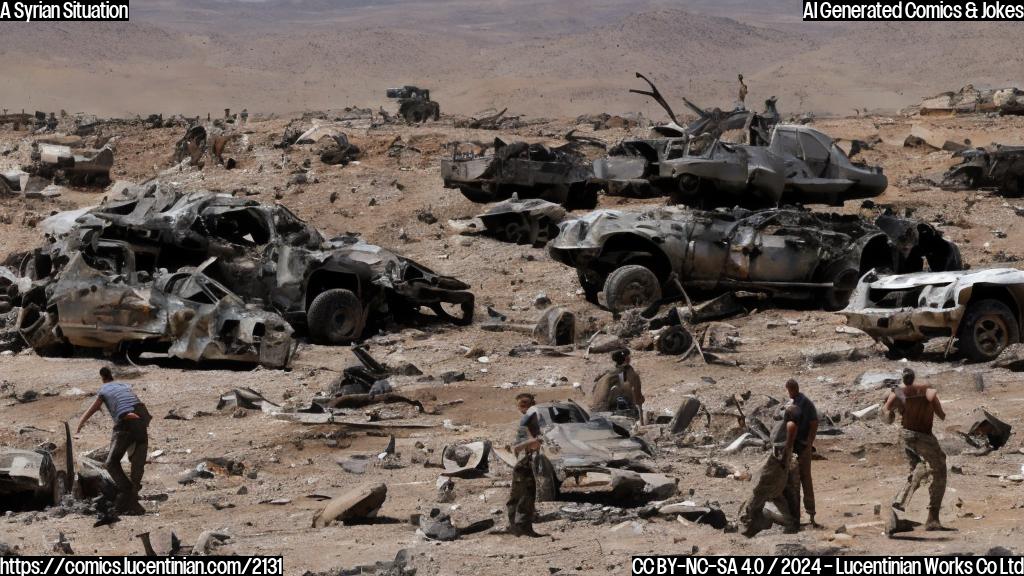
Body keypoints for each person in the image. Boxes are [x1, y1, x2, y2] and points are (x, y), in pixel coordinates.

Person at [882, 368, 950, 535]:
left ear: (903, 379)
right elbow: (941, 415)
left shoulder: (898, 392)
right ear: (914, 377)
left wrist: (894, 412)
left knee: (916, 469)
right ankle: (933, 518)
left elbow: (885, 413)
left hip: (906, 436)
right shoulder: (928, 390)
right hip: (924, 437)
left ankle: (899, 504)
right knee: (939, 469)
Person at [76, 367, 152, 515]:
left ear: (102, 378)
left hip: (125, 421)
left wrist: (78, 427)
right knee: (137, 461)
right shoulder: (124, 386)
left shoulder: (103, 390)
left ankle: (127, 492)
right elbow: (134, 400)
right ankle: (133, 496)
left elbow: (90, 411)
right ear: (112, 376)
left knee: (111, 463)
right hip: (141, 417)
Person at [739, 405, 801, 537]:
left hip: (776, 465)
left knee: (757, 497)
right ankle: (791, 524)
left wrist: (783, 462)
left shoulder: (787, 426)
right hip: (777, 465)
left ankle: (751, 525)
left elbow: (785, 447)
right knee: (777, 496)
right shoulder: (785, 424)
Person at [506, 392, 543, 537]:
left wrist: (518, 447)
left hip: (528, 460)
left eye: (526, 404)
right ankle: (518, 528)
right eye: (521, 405)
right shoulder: (529, 419)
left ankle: (521, 528)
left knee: (525, 495)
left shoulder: (533, 419)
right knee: (521, 495)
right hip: (525, 460)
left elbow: (539, 440)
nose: (523, 408)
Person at [785, 379, 818, 527]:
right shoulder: (792, 403)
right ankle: (795, 517)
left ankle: (810, 514)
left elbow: (814, 423)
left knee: (805, 480)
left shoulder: (806, 403)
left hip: (803, 447)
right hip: (794, 447)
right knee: (793, 482)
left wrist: (809, 444)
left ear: (791, 389)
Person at [590, 349, 644, 419]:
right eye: (628, 356)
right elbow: (627, 390)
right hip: (611, 411)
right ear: (626, 359)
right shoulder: (623, 373)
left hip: (598, 410)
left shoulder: (608, 373)